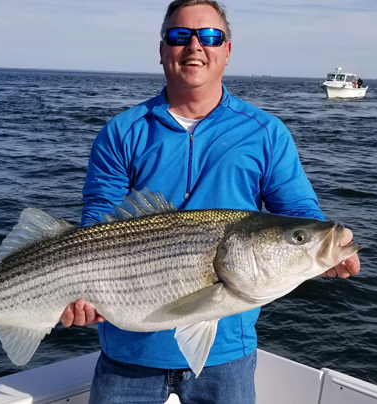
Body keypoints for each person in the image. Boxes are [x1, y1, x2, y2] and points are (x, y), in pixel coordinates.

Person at [62, 1, 361, 403]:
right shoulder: (122, 132)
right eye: (180, 36)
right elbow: (97, 226)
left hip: (227, 356)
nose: (195, 46)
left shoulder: (265, 132)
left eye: (209, 36)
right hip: (128, 353)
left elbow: (299, 210)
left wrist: (319, 247)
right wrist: (77, 297)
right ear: (163, 48)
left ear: (227, 50)